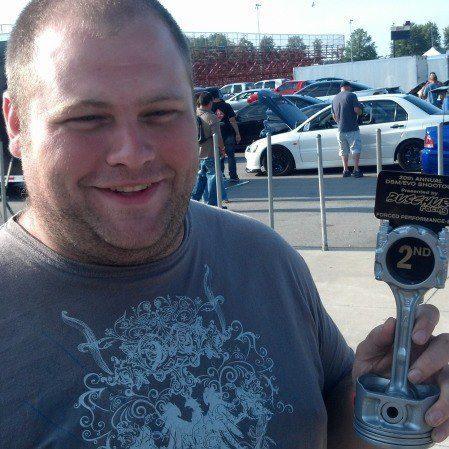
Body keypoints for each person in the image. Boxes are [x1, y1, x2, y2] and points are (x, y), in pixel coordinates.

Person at [1, 1, 449, 448]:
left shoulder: (266, 260)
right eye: (86, 118)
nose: (132, 153)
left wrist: (388, 409)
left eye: (160, 113)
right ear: (16, 125)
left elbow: (332, 426)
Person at [191, 92, 225, 207]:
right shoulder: (211, 117)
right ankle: (212, 204)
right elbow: (217, 137)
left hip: (197, 153)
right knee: (213, 177)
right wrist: (222, 149)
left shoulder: (193, 114)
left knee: (200, 178)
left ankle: (193, 202)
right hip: (210, 153)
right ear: (210, 103)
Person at [332, 80, 364, 178]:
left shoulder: (334, 98)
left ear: (341, 88)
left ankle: (345, 170)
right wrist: (361, 112)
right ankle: (356, 170)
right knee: (355, 148)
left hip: (340, 129)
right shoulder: (351, 95)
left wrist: (340, 122)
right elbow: (357, 110)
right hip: (352, 128)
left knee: (343, 150)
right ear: (348, 87)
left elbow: (334, 116)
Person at [210, 88, 241, 182]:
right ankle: (233, 176)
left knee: (219, 156)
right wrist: (237, 134)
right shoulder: (226, 105)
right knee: (231, 156)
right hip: (228, 133)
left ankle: (221, 175)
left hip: (216, 135)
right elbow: (232, 120)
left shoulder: (210, 107)